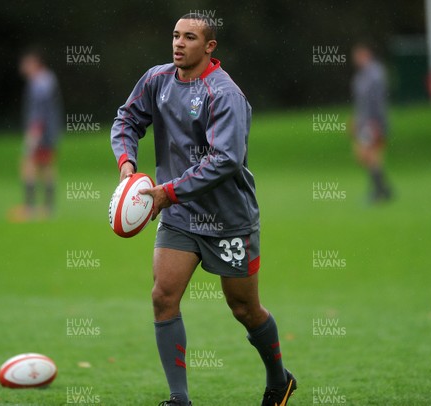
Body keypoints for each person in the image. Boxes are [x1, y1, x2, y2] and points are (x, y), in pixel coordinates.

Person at [111, 13, 297, 406]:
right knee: (163, 296)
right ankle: (179, 399)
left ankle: (280, 380)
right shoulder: (157, 80)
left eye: (190, 37)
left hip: (229, 218)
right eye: (176, 36)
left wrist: (167, 193)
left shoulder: (224, 94)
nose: (179, 44)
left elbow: (224, 160)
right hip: (179, 216)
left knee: (244, 308)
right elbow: (126, 118)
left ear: (209, 47)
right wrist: (127, 164)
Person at [18, 47, 63, 220]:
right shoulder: (49, 78)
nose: (22, 67)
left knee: (28, 165)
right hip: (50, 131)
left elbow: (40, 111)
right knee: (46, 167)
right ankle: (47, 208)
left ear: (34, 63)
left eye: (25, 63)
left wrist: (34, 134)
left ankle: (30, 208)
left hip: (41, 132)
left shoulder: (39, 82)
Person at [351, 42, 392, 202]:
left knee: (368, 154)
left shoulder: (375, 74)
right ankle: (383, 189)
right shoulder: (362, 75)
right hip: (365, 121)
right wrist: (356, 120)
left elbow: (377, 101)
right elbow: (360, 102)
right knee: (367, 156)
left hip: (373, 122)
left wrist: (376, 122)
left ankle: (379, 191)